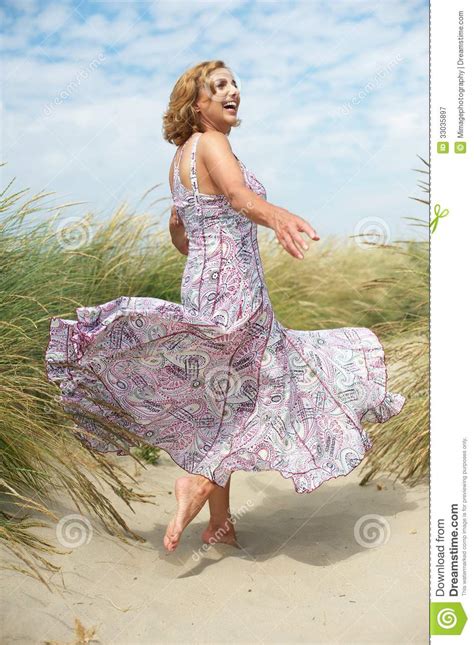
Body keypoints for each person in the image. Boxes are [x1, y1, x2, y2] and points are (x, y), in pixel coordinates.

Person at [45, 60, 406, 554]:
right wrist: (278, 215)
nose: (233, 91)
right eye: (220, 87)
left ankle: (219, 520)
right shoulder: (213, 144)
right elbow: (238, 198)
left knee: (226, 395)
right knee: (256, 387)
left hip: (202, 284)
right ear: (198, 104)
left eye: (235, 83)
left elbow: (183, 239)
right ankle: (197, 480)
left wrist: (225, 228)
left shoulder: (179, 160)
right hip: (237, 288)